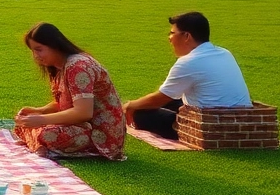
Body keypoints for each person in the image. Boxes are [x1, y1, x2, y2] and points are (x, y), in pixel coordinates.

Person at [122, 12, 252, 140]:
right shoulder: (225, 53)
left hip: (208, 123)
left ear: (186, 36)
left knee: (140, 113)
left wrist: (131, 105)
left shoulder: (189, 62)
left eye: (172, 33)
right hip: (240, 118)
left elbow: (160, 99)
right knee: (171, 101)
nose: (169, 38)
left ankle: (177, 128)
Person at [15, 23, 125, 160]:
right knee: (24, 125)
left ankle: (39, 144)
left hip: (101, 134)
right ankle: (39, 144)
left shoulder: (78, 67)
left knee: (45, 134)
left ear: (54, 45)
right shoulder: (59, 66)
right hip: (80, 126)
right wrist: (39, 111)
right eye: (33, 51)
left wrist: (41, 119)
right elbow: (64, 104)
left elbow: (83, 112)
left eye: (39, 50)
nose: (35, 56)